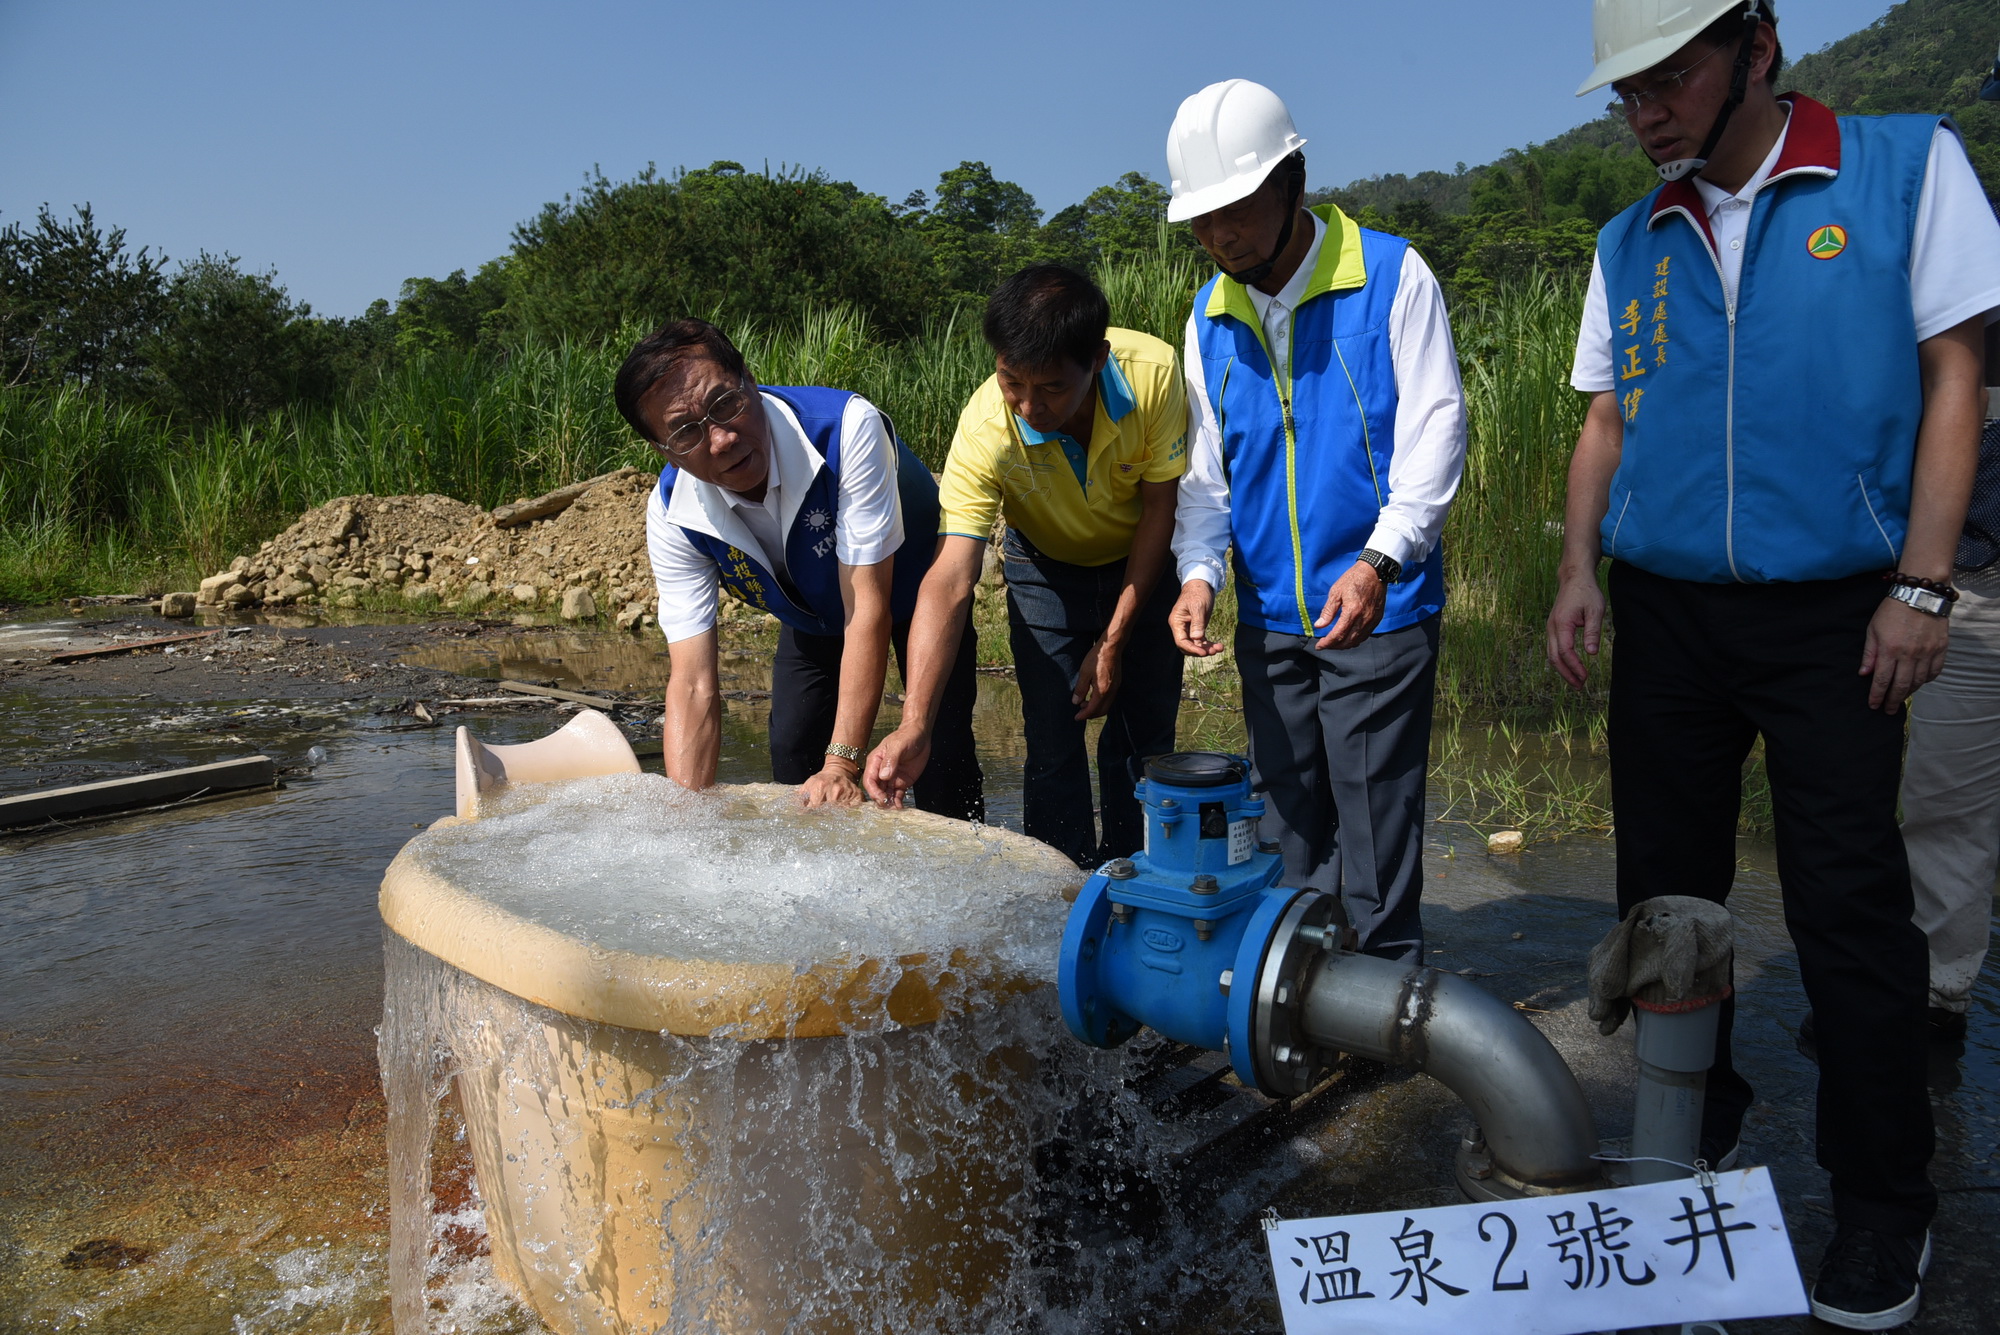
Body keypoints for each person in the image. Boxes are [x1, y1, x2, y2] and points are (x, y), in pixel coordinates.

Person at [1544, 2, 2000, 1327]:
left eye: (1667, 78)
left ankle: (1881, 1205)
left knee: (1850, 909)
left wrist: (1922, 581)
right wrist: (1580, 568)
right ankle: (1690, 1132)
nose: (1645, 113)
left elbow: (1957, 375)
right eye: (1624, 92)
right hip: (1668, 617)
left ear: (1759, 46)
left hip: (1835, 615)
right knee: (1664, 899)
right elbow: (1602, 418)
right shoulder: (1630, 239)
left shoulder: (1904, 170)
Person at [1164, 79, 1467, 964]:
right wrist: (1198, 574)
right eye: (1202, 222)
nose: (1220, 237)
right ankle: (1302, 990)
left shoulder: (1389, 276)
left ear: (1292, 178)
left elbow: (1436, 432)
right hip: (1269, 618)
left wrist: (1382, 558)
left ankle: (1386, 999)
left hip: (1377, 603)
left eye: (1236, 210)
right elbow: (1208, 473)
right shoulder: (1211, 316)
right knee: (1288, 817)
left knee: (1374, 814)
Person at [865, 266, 1187, 866]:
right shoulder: (988, 426)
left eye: (1052, 388)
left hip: (1142, 560)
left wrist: (1114, 638)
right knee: (1052, 741)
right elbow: (951, 577)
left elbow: (1159, 510)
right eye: (1012, 380)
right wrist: (914, 722)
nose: (1029, 405)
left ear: (1097, 360)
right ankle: (1061, 897)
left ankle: (1135, 883)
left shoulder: (1155, 375)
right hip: (1044, 568)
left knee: (1140, 744)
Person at [614, 318, 981, 816]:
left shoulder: (845, 428)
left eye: (726, 403)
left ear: (750, 379)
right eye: (685, 431)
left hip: (914, 596)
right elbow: (693, 681)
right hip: (815, 615)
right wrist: (686, 820)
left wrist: (843, 763)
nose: (721, 439)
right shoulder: (672, 512)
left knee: (937, 760)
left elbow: (867, 609)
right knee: (793, 758)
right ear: (664, 452)